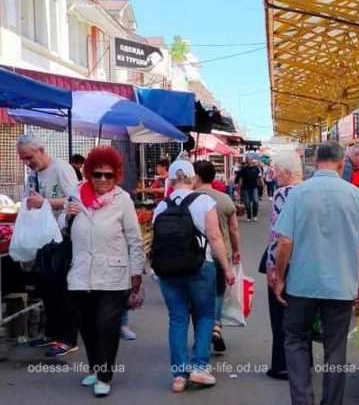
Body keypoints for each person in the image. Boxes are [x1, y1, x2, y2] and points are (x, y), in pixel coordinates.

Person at [273, 141, 359, 405]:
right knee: (335, 347)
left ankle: (302, 400)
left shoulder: (297, 194)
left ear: (314, 163)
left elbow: (284, 242)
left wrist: (280, 277)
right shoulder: (355, 195)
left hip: (301, 285)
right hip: (341, 286)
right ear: (342, 163)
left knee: (295, 339)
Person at [65, 147, 145, 397]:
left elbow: (135, 240)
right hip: (81, 274)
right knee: (87, 326)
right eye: (97, 174)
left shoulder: (122, 199)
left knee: (107, 325)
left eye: (108, 175)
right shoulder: (76, 194)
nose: (102, 180)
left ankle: (105, 375)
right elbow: (63, 229)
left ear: (116, 176)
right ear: (89, 173)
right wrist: (66, 218)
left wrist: (136, 275)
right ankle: (95, 368)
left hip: (114, 275)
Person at [153, 160, 235, 393]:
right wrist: (227, 269)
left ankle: (179, 375)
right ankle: (200, 367)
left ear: (170, 179)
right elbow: (216, 237)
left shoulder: (161, 207)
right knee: (205, 316)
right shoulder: (205, 202)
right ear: (193, 178)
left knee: (177, 318)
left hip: (168, 270)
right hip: (200, 267)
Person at [16, 134, 79, 356]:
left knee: (62, 288)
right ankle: (51, 334)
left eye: (29, 157)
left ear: (41, 150)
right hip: (42, 238)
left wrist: (46, 203)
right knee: (46, 288)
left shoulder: (61, 169)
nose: (26, 162)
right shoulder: (33, 174)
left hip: (61, 237)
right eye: (22, 159)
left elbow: (75, 199)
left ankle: (68, 338)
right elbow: (30, 198)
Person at [257, 150, 303, 381]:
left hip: (286, 261)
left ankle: (281, 365)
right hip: (306, 263)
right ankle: (303, 363)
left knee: (280, 316)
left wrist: (273, 268)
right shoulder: (308, 192)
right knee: (301, 317)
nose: (273, 176)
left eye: (275, 172)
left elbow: (279, 236)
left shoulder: (283, 194)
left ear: (286, 172)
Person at [193, 160, 241, 353]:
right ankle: (216, 326)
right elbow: (234, 229)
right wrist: (236, 250)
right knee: (218, 292)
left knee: (197, 296)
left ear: (196, 177)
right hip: (221, 254)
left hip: (195, 256)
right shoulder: (224, 199)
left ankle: (200, 335)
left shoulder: (189, 198)